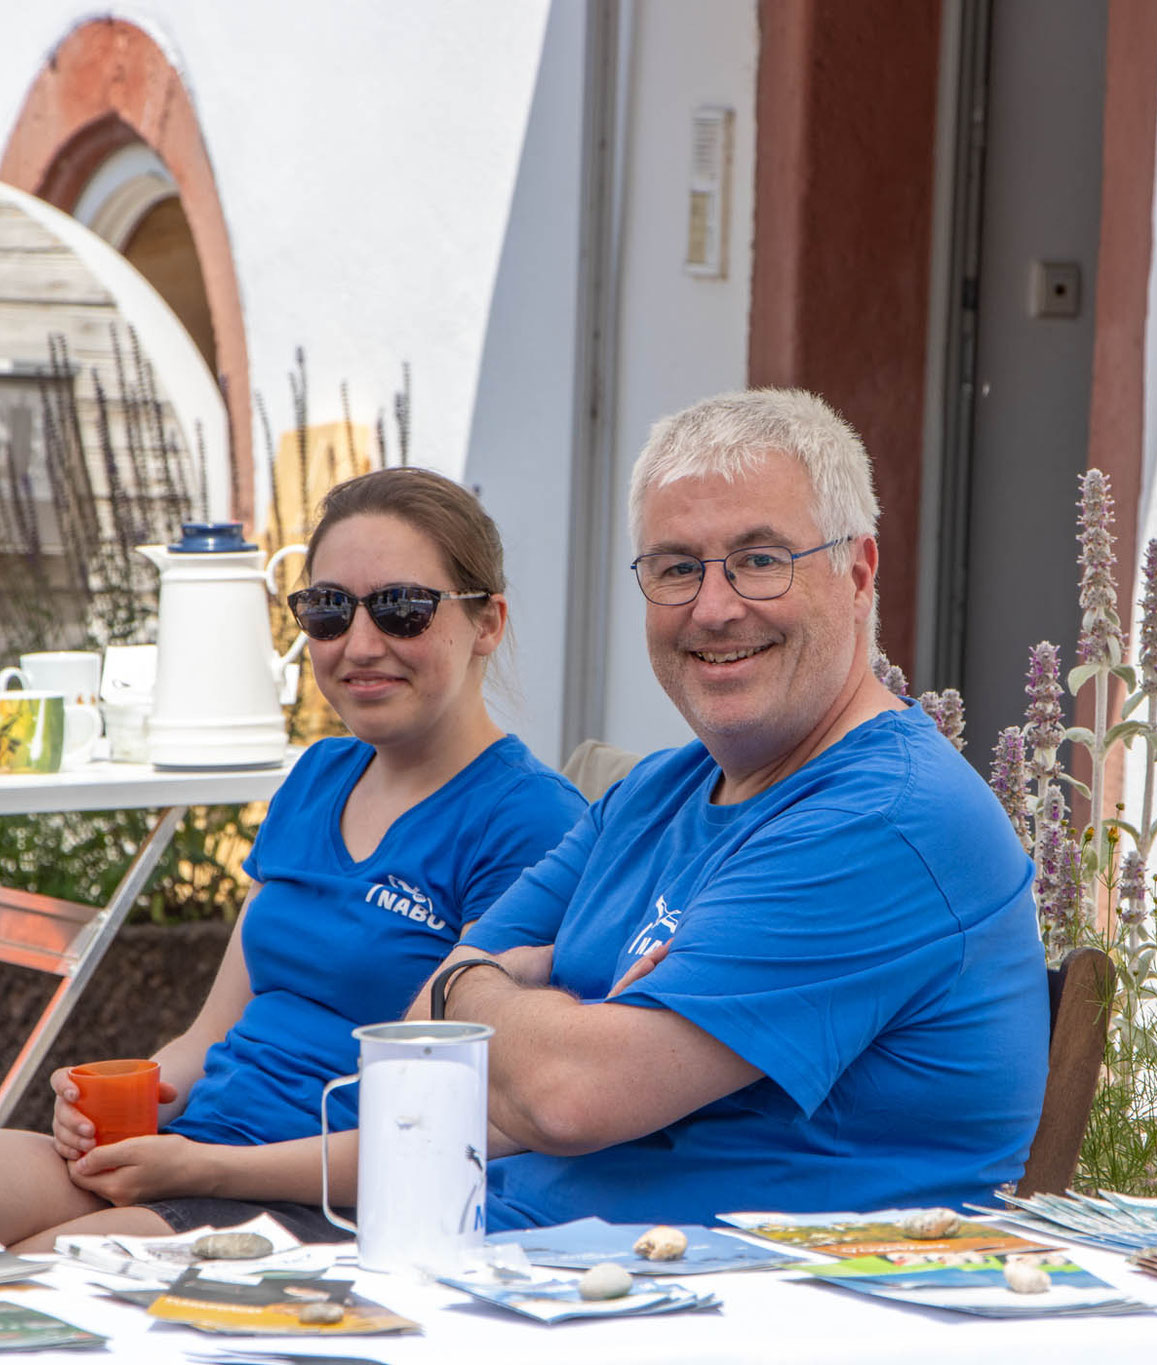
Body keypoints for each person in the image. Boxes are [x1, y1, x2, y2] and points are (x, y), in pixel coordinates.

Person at [309, 388, 1047, 1227]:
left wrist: (483, 985)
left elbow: (568, 1096)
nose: (715, 606)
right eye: (676, 567)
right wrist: (553, 1020)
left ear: (858, 572)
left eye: (762, 559)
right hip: (532, 1277)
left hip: (743, 1311)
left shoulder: (883, 818)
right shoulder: (652, 793)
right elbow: (418, 1053)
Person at [0, 468, 586, 1250]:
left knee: (39, 1270)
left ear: (486, 621)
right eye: (326, 611)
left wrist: (200, 1168)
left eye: (401, 608)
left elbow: (480, 1126)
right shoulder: (320, 774)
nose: (359, 644)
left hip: (325, 1200)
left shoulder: (528, 820)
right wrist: (118, 1103)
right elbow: (211, 1031)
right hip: (198, 1152)